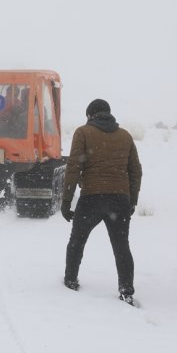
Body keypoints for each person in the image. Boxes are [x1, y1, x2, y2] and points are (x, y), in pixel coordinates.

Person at [61, 99, 143, 305]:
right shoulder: (125, 136)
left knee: (77, 241)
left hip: (91, 198)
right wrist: (132, 201)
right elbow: (135, 172)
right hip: (119, 200)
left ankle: (71, 280)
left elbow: (73, 168)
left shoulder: (83, 133)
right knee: (121, 246)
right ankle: (126, 289)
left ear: (90, 116)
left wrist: (66, 201)